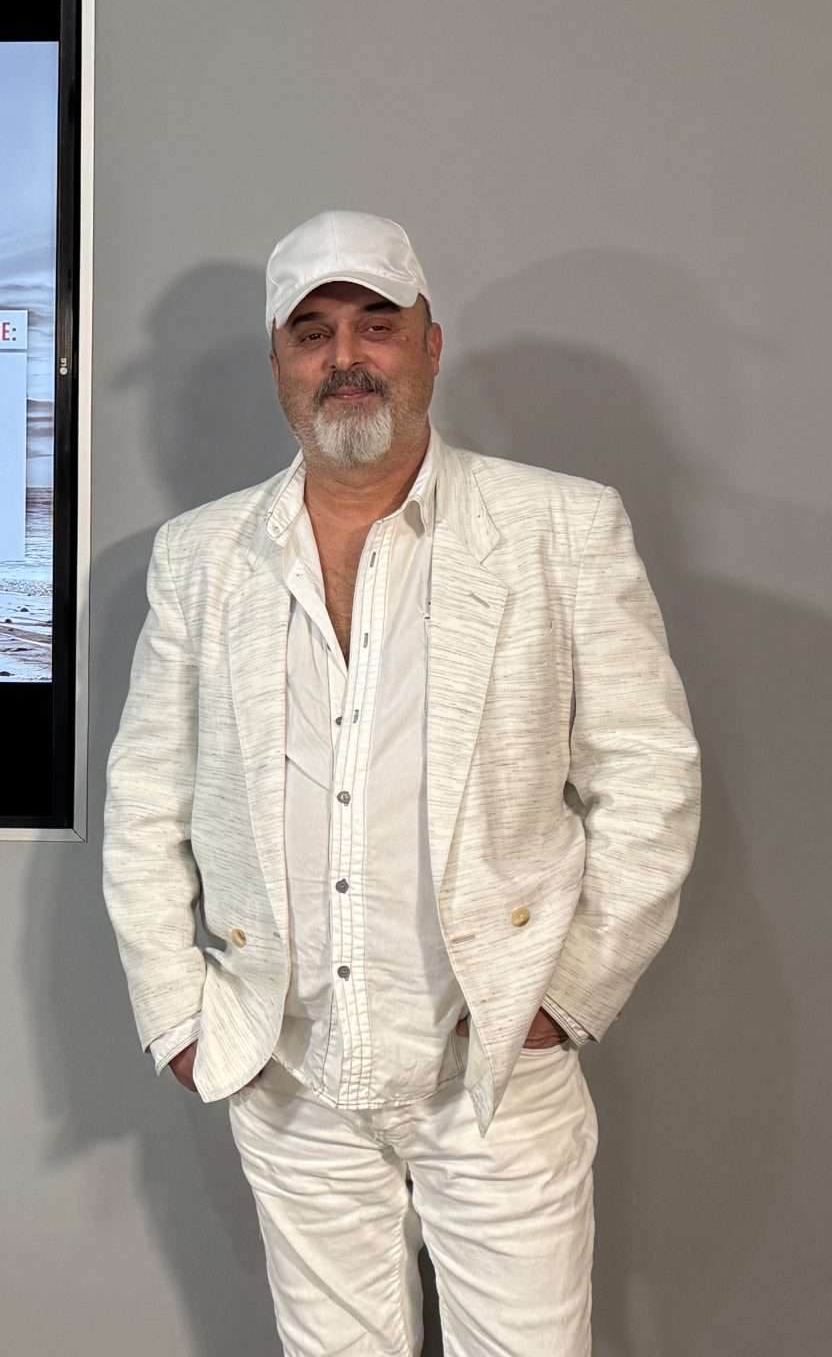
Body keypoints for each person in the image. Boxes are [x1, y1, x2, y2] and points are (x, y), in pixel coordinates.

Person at [101, 210, 700, 1355]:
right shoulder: (203, 557)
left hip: (494, 1071)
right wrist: (178, 1012)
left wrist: (568, 994)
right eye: (313, 332)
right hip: (290, 1074)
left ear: (430, 344)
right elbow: (145, 801)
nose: (346, 357)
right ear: (279, 362)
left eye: (377, 324)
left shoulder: (559, 529)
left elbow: (649, 779)